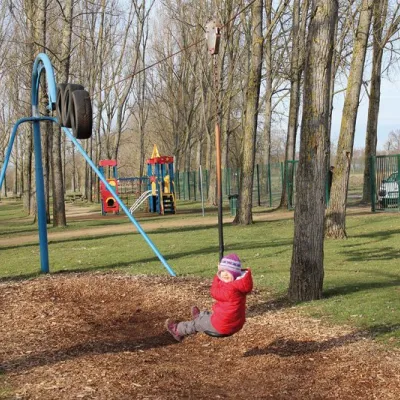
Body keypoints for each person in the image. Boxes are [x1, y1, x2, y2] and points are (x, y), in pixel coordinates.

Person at [165, 253, 253, 342]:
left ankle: (178, 330)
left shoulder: (231, 289)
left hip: (223, 325)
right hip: (235, 322)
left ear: (235, 273)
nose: (224, 274)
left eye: (229, 272)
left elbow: (214, 292)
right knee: (213, 315)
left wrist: (217, 277)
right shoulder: (239, 284)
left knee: (197, 324)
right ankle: (200, 316)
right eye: (222, 271)